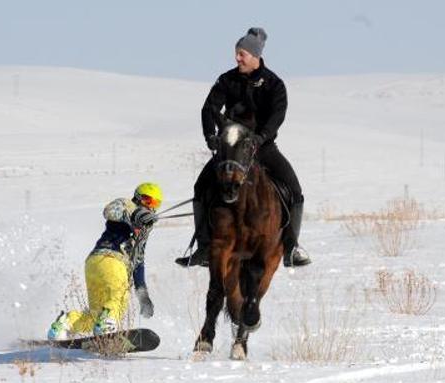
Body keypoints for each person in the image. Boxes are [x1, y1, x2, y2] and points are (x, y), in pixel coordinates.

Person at [175, 27, 311, 268]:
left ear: (255, 55)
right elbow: (210, 109)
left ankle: (291, 248)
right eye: (236, 53)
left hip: (263, 147)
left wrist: (261, 137)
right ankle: (204, 247)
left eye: (242, 54)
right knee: (201, 186)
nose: (237, 58)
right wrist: (210, 136)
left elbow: (277, 115)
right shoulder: (226, 80)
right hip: (231, 147)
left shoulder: (274, 84)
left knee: (294, 190)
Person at [47, 183, 162, 340]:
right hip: (112, 261)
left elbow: (138, 261)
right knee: (118, 298)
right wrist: (136, 214)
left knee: (96, 314)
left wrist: (143, 295)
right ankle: (106, 327)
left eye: (155, 203)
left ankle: (65, 323)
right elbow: (109, 211)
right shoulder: (126, 205)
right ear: (138, 197)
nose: (151, 206)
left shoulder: (145, 228)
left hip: (95, 265)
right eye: (148, 201)